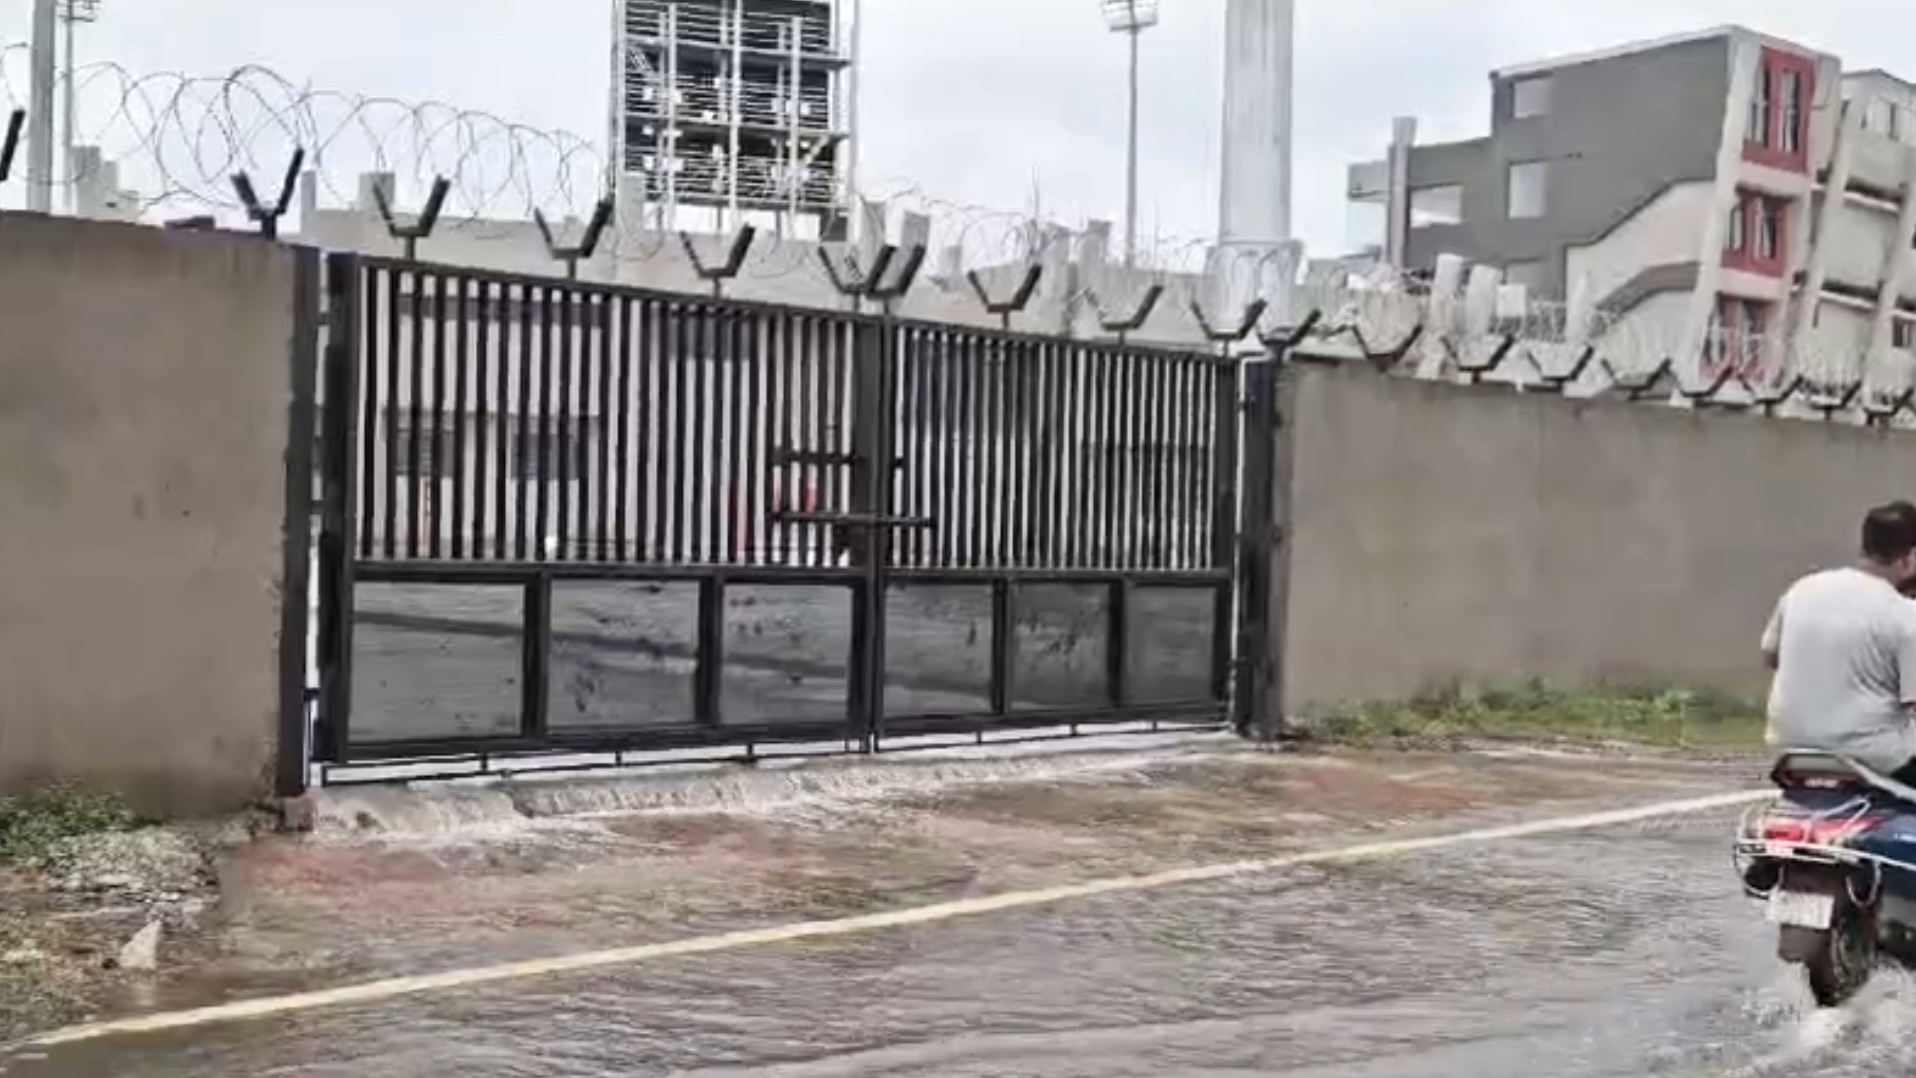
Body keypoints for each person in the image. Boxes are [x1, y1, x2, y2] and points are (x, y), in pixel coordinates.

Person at [1763, 501, 1916, 785]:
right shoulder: (1905, 613)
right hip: (1873, 754)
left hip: (1790, 747)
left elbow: (1770, 655)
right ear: (1909, 558)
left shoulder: (1803, 589)